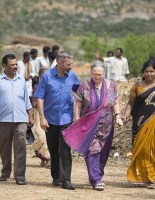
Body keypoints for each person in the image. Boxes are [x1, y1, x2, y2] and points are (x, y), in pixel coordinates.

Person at [63, 61, 123, 191]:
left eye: (100, 74)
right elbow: (78, 105)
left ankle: (98, 176)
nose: (97, 77)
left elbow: (115, 102)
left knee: (104, 153)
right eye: (95, 74)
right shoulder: (83, 86)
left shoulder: (111, 85)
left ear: (104, 73)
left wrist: (118, 116)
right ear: (91, 73)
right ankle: (95, 179)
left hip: (107, 125)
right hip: (89, 125)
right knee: (93, 151)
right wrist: (77, 121)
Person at [121, 60, 155, 189]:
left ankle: (150, 175)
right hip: (140, 123)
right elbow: (130, 103)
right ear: (143, 72)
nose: (149, 74)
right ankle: (150, 178)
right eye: (146, 71)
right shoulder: (137, 86)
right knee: (144, 150)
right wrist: (126, 115)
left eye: (152, 71)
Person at [34, 51, 80, 190]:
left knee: (65, 149)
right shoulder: (47, 76)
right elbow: (40, 97)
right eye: (68, 64)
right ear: (59, 63)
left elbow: (78, 90)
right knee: (53, 149)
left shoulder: (72, 75)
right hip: (50, 119)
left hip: (66, 118)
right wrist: (42, 118)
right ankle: (55, 177)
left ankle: (66, 179)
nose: (70, 66)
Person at [0, 54, 34, 185]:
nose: (15, 67)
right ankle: (5, 172)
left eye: (16, 65)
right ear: (4, 66)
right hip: (3, 120)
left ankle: (20, 176)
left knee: (21, 147)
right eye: (12, 65)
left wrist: (30, 115)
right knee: (4, 148)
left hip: (20, 119)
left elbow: (26, 101)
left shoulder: (21, 80)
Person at [31, 67, 50, 168]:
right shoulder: (36, 87)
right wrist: (39, 103)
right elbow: (34, 102)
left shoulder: (53, 86)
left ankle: (48, 159)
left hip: (50, 114)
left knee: (48, 137)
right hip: (38, 115)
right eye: (43, 76)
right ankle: (43, 156)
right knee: (40, 137)